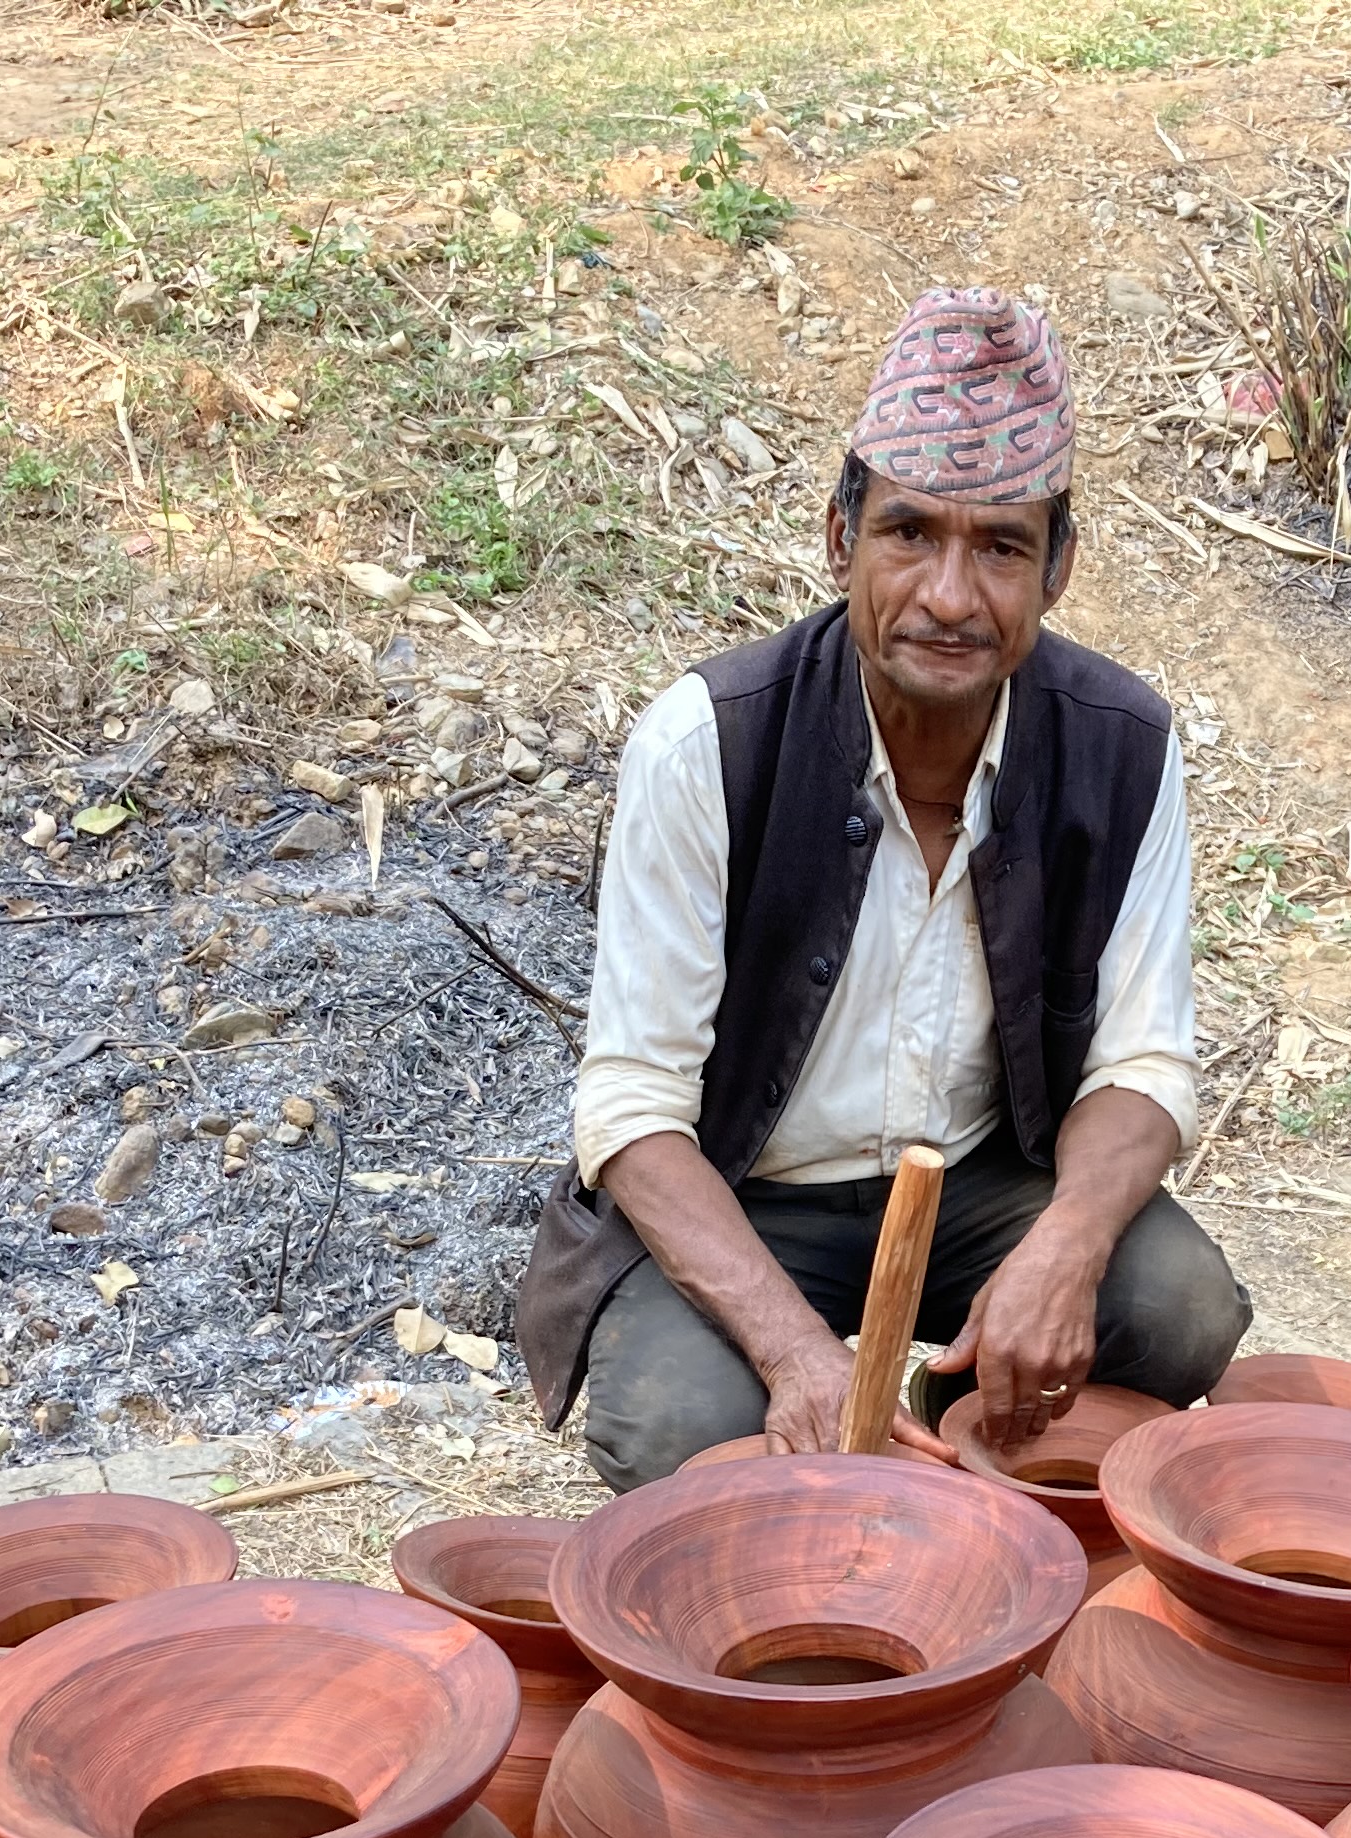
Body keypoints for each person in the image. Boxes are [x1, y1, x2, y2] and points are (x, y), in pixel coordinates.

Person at [515, 285, 1252, 1485]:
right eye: (911, 533)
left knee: (1177, 1307)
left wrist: (1065, 1247)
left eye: (1001, 547)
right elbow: (635, 1112)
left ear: (1058, 570)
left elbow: (1144, 1065)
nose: (951, 597)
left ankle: (944, 1420)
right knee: (682, 1428)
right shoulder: (708, 742)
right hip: (750, 1198)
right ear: (838, 536)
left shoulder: (1122, 745)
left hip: (979, 1183)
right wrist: (802, 1359)